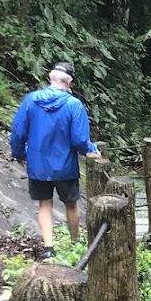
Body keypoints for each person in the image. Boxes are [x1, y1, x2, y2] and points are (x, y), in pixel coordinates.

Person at [9, 61, 98, 257]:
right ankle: (74, 244)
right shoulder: (74, 105)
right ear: (70, 81)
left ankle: (49, 248)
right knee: (71, 204)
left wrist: (18, 153)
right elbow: (80, 139)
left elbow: (18, 133)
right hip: (65, 165)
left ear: (50, 77)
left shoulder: (31, 100)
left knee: (44, 203)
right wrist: (93, 150)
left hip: (38, 165)